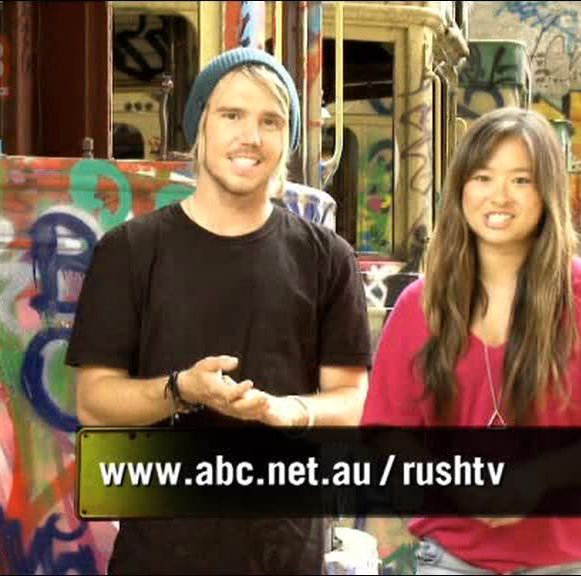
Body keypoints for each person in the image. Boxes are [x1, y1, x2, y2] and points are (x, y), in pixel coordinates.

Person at [66, 47, 372, 575]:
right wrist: (183, 389)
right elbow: (95, 403)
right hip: (159, 558)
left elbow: (350, 401)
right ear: (200, 129)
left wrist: (290, 411)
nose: (250, 136)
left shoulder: (328, 258)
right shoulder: (129, 252)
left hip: (288, 556)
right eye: (232, 115)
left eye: (271, 121)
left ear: (287, 141)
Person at [361, 108, 581, 575]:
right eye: (482, 177)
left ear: (547, 192)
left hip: (572, 565)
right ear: (460, 189)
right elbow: (386, 431)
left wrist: (539, 480)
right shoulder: (420, 306)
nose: (498, 195)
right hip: (452, 562)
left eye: (521, 180)